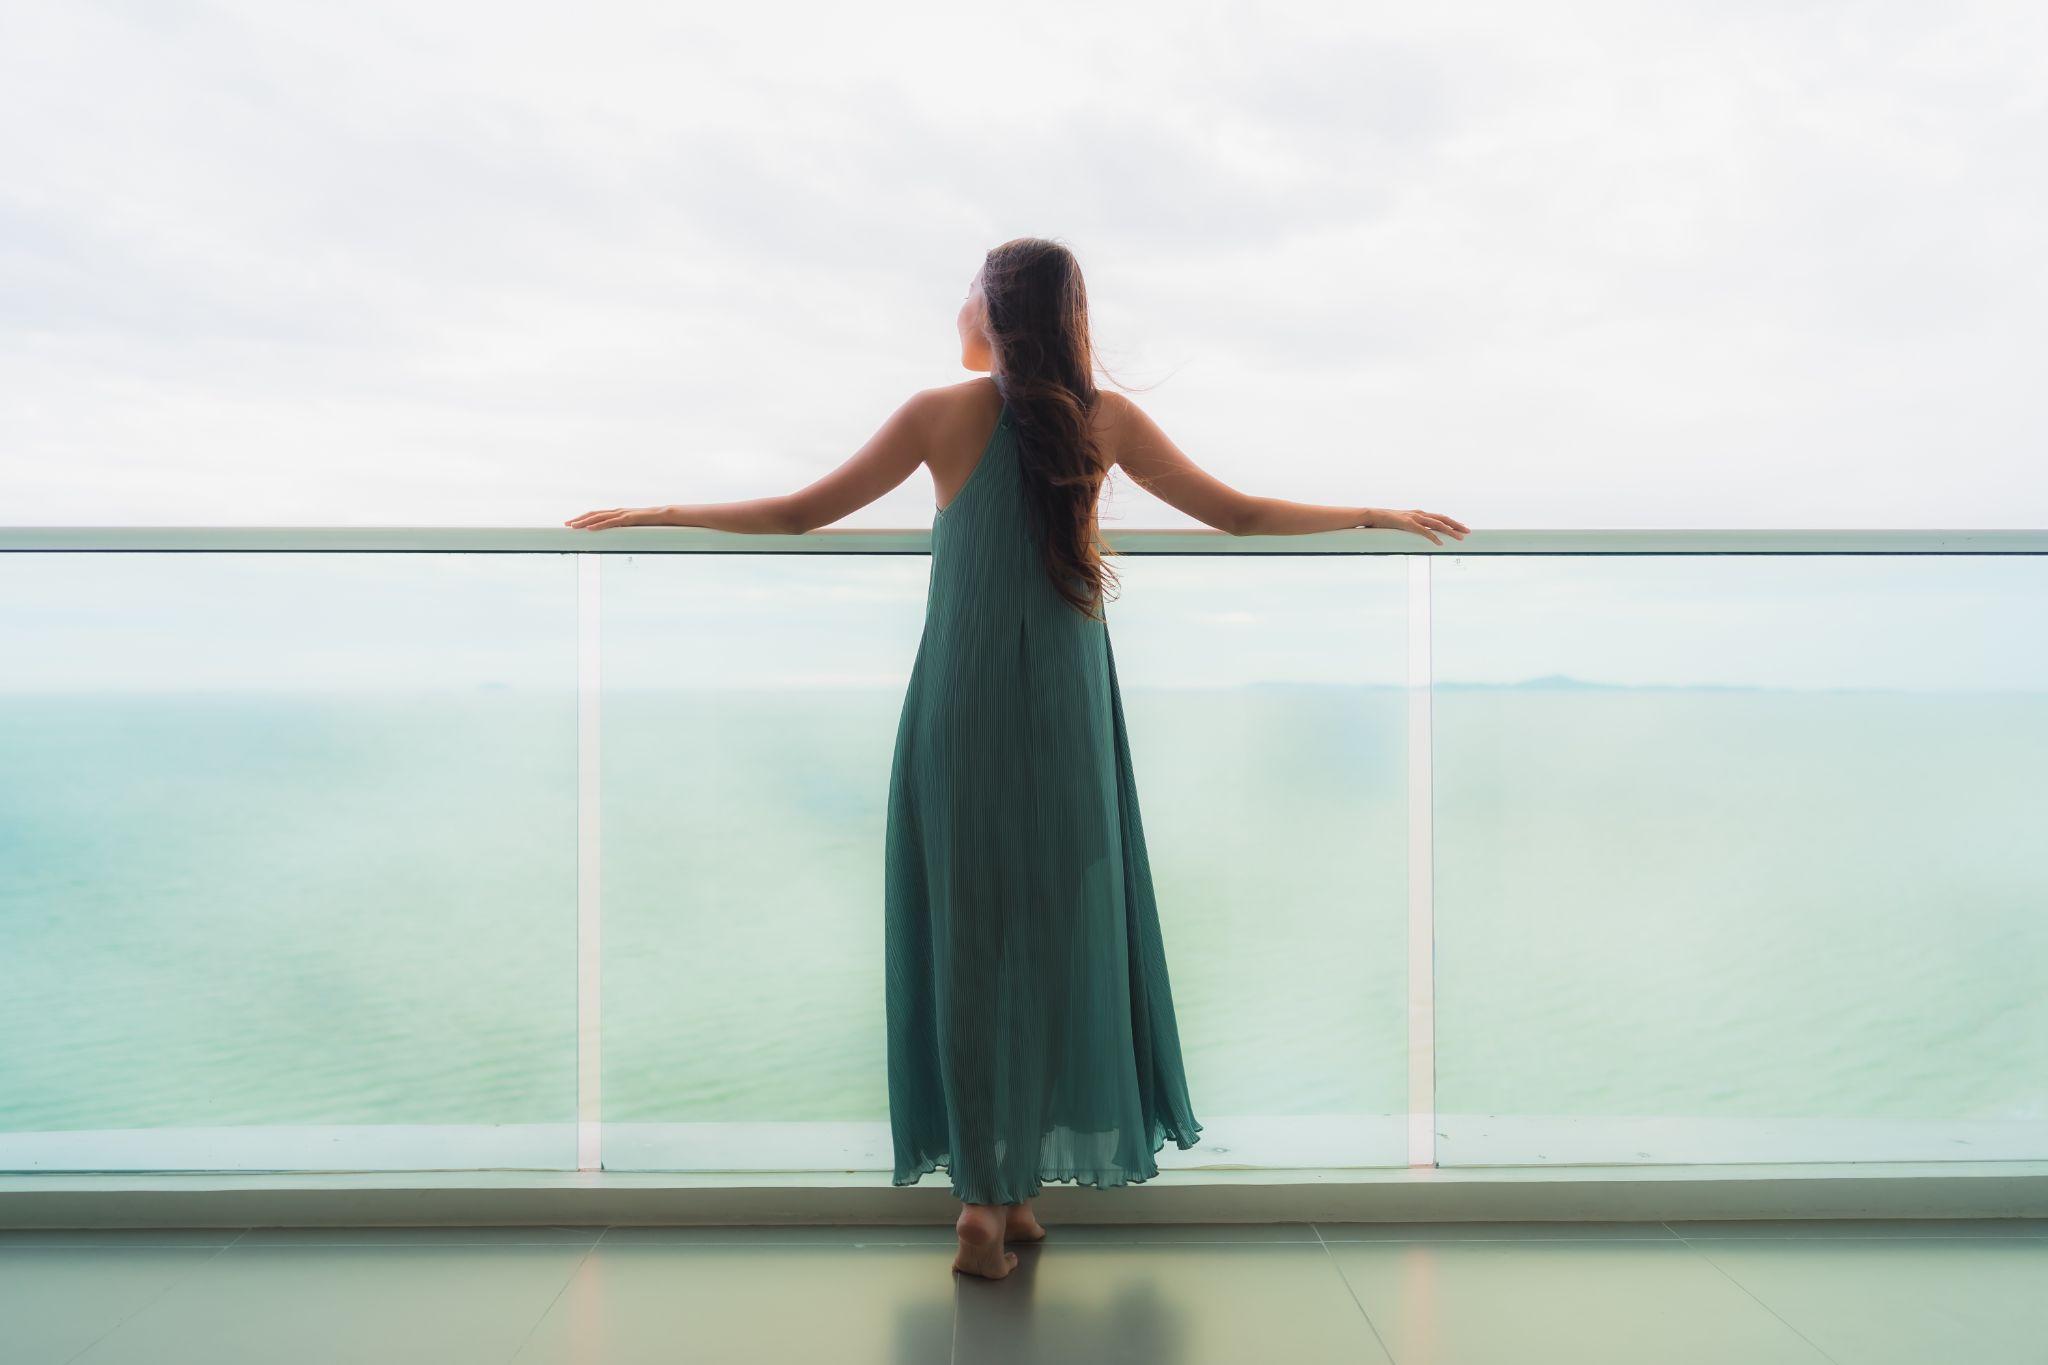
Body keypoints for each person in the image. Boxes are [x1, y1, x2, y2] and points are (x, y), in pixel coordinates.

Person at [568, 237, 1469, 1279]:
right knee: (1053, 930)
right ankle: (1011, 1190)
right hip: (1065, 710)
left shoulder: (934, 415)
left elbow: (796, 513)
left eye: (965, 294)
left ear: (994, 314)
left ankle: (987, 1202)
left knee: (968, 942)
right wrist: (1370, 511)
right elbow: (1238, 515)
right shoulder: (1105, 418)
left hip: (960, 704)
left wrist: (662, 510)